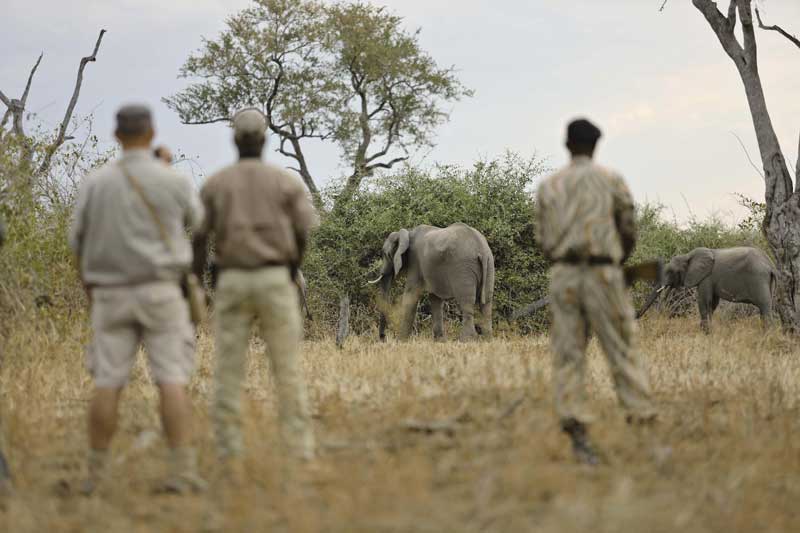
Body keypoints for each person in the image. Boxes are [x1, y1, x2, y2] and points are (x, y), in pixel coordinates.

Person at [68, 104, 206, 494]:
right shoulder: (172, 180)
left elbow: (77, 241)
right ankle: (181, 472)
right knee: (172, 380)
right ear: (151, 133)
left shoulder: (96, 182)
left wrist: (90, 289)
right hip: (162, 291)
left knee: (108, 381)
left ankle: (96, 475)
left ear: (116, 136)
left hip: (110, 292)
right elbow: (198, 222)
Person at [193, 108, 316, 481]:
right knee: (287, 366)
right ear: (265, 140)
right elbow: (304, 230)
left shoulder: (216, 183)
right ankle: (298, 450)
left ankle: (230, 453)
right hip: (277, 278)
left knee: (228, 370)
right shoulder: (286, 182)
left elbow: (199, 237)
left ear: (234, 140)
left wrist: (198, 283)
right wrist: (292, 266)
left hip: (231, 281)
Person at [535, 118, 656, 465]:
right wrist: (616, 259)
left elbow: (543, 238)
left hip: (564, 275)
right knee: (621, 348)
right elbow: (629, 226)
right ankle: (641, 422)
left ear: (567, 144)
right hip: (605, 272)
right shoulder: (611, 179)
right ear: (595, 145)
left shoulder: (549, 185)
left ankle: (577, 432)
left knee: (568, 353)